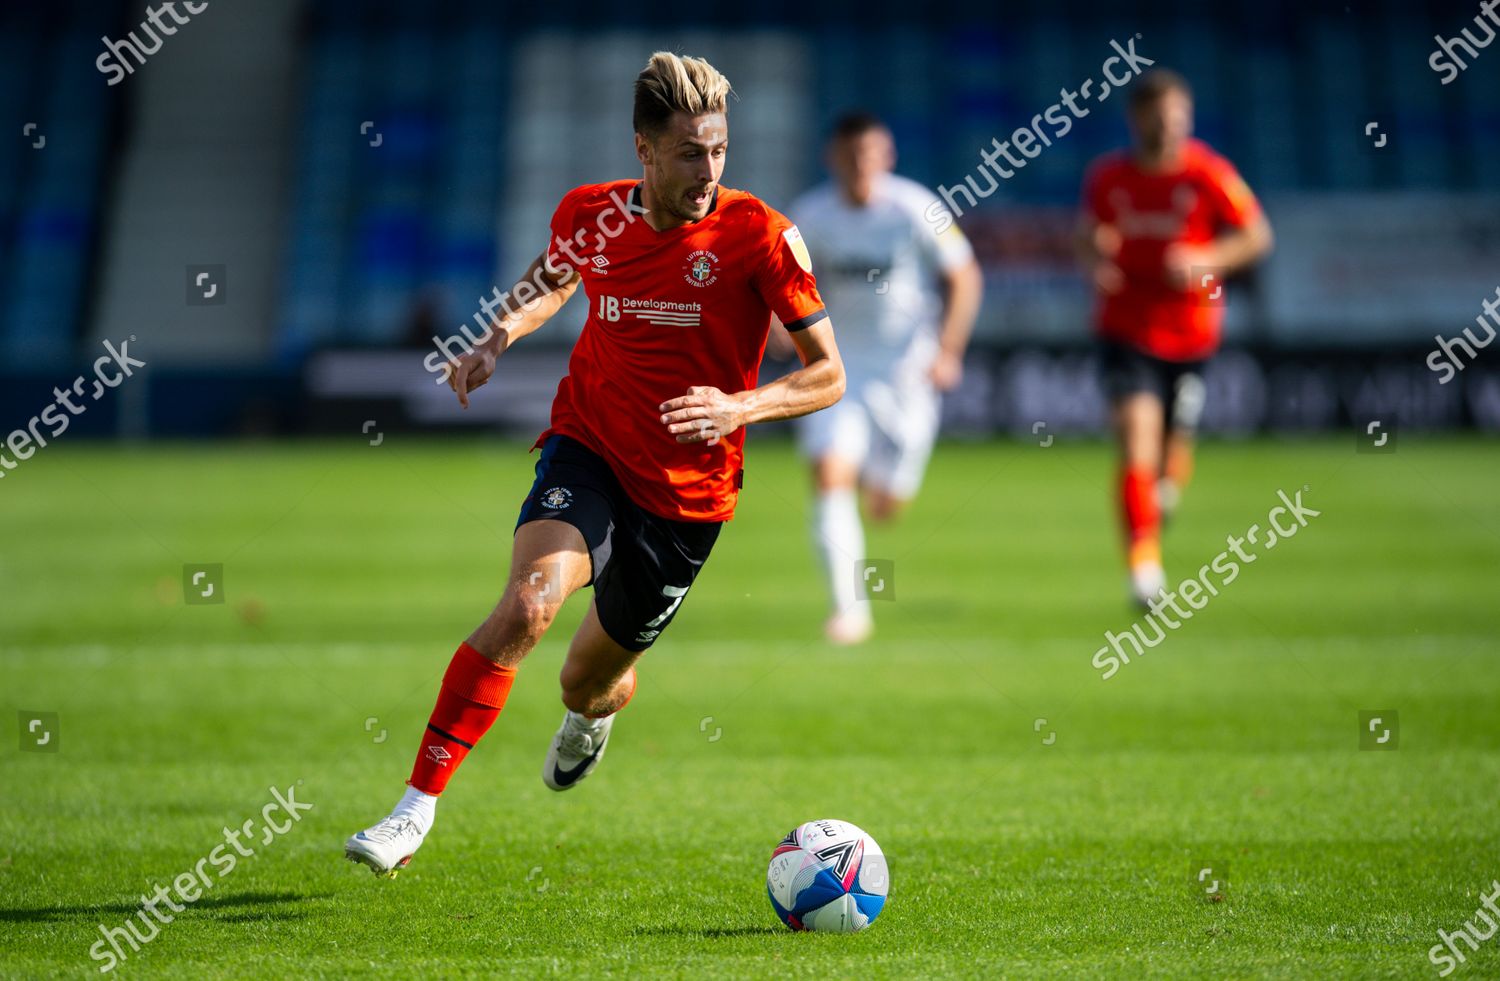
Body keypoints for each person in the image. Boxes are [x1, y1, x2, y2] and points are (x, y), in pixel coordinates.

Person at [345, 51, 845, 876]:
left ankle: (592, 716)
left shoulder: (760, 234)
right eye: (690, 152)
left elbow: (828, 373)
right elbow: (549, 279)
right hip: (593, 444)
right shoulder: (591, 213)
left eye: (719, 150)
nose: (709, 170)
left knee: (587, 682)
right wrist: (498, 335)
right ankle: (414, 808)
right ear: (644, 150)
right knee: (527, 606)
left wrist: (738, 406)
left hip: (690, 497)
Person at [776, 112, 982, 645]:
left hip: (907, 375)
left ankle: (876, 476)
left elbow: (965, 275)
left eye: (870, 154)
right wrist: (781, 332)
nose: (860, 165)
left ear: (887, 157)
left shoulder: (917, 208)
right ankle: (849, 611)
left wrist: (949, 350)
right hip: (837, 370)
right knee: (829, 476)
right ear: (833, 159)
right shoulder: (809, 217)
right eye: (850, 155)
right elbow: (781, 287)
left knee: (886, 507)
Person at [1076, 69, 1272, 606]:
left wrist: (1209, 258)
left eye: (1177, 117)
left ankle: (1159, 497)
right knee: (1136, 436)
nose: (1168, 127)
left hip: (1192, 331)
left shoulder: (1208, 173)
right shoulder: (1108, 177)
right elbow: (1087, 235)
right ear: (1136, 119)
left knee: (1170, 459)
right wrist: (1096, 260)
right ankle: (1143, 566)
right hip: (1126, 327)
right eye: (1157, 117)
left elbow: (1257, 235)